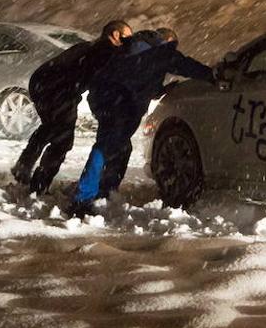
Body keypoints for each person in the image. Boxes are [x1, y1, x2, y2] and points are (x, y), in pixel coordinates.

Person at [70, 27, 214, 216]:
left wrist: (157, 90)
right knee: (106, 147)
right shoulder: (162, 52)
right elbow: (188, 66)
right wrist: (214, 75)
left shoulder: (134, 46)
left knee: (118, 146)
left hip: (103, 97)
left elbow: (133, 75)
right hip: (123, 102)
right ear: (169, 42)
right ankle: (84, 197)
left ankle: (106, 190)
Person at [12, 19, 132, 193]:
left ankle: (24, 165)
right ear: (115, 35)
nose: (129, 43)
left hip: (42, 84)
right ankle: (39, 185)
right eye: (127, 37)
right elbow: (97, 83)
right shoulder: (105, 51)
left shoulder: (91, 47)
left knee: (51, 127)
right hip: (58, 90)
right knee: (63, 141)